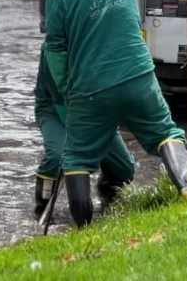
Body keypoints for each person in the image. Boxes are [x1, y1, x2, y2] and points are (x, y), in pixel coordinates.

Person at [44, 0, 187, 228]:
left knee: (77, 158)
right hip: (138, 74)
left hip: (89, 90)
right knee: (165, 131)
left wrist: (67, 91)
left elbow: (56, 52)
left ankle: (84, 229)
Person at [33, 48, 134, 218]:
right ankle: (42, 208)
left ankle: (107, 195)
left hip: (93, 109)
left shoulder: (101, 43)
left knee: (124, 168)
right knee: (57, 156)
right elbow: (60, 97)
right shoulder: (53, 49)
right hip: (54, 108)